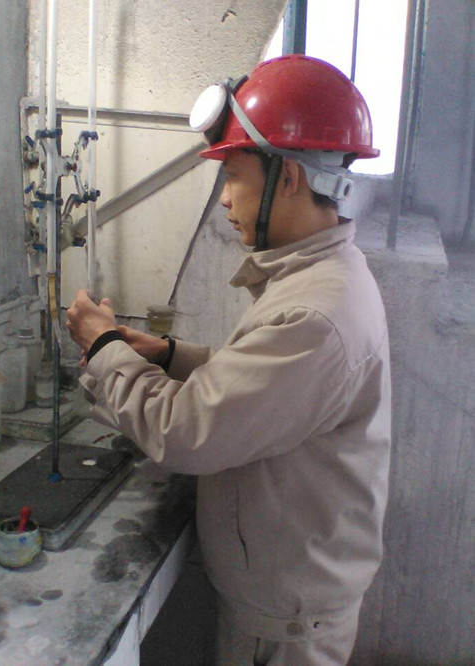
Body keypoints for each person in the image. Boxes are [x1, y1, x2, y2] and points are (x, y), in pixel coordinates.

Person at [67, 55, 391, 666]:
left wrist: (105, 346)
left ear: (288, 177)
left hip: (284, 626)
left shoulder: (316, 314)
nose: (223, 199)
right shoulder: (320, 278)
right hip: (285, 597)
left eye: (233, 175)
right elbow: (262, 387)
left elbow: (184, 432)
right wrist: (168, 356)